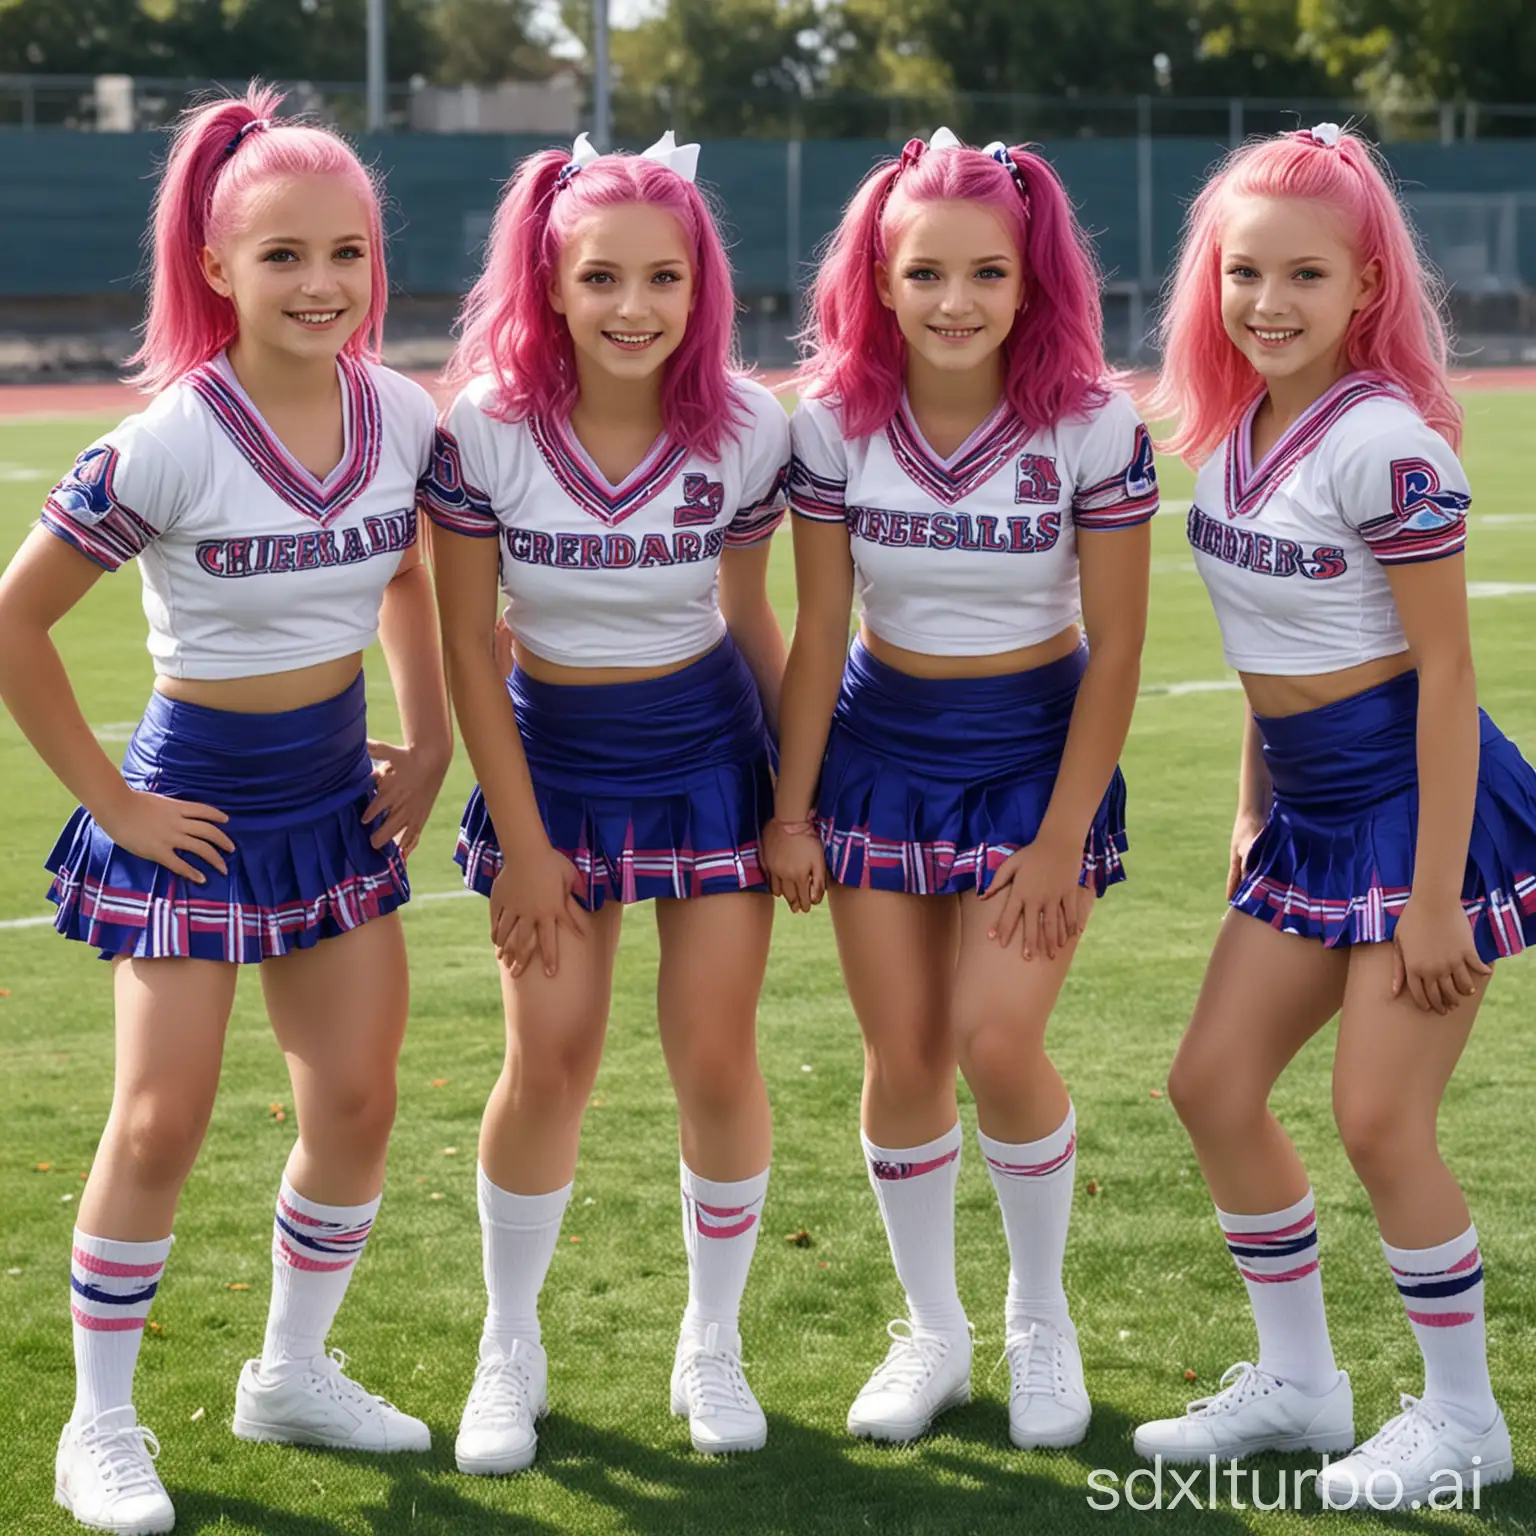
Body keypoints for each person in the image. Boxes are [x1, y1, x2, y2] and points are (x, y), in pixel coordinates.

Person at [0, 86, 451, 1535]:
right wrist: (116, 802)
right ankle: (101, 1423)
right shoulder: (168, 441)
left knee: (360, 1099)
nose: (321, 286)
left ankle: (294, 1371)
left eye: (347, 255)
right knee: (159, 1119)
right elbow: (17, 624)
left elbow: (400, 575)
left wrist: (432, 738)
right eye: (282, 258)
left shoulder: (404, 415)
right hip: (192, 808)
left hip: (333, 799)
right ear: (215, 268)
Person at [1131, 123, 1522, 1510]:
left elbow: (1448, 678)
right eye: (1247, 272)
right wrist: (1250, 804)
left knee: (1378, 1120)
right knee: (1213, 1089)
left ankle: (1466, 1421)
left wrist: (1432, 899)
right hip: (1304, 806)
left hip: (1420, 810)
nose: (1270, 302)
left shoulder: (1386, 444)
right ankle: (1300, 1387)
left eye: (1307, 274)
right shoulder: (1237, 430)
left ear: (1366, 290)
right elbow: (1262, 650)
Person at [763, 127, 1156, 1448]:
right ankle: (933, 1330)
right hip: (881, 749)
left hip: (1035, 753)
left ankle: (1040, 1319)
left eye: (987, 273)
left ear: (1030, 282)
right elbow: (819, 632)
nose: (955, 301)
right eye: (925, 273)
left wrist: (1058, 840)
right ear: (878, 281)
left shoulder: (1095, 423)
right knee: (906, 1054)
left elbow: (1119, 654)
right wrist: (792, 808)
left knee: (997, 1038)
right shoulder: (827, 423)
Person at [422, 131, 790, 1473]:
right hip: (553, 768)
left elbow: (755, 616)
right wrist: (520, 843)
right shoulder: (486, 426)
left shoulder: (751, 428)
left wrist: (793, 796)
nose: (634, 308)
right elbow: (470, 645)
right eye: (603, 279)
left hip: (708, 757)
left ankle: (713, 1342)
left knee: (713, 1051)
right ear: (553, 281)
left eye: (665, 280)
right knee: (552, 1056)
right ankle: (506, 1349)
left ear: (703, 288)